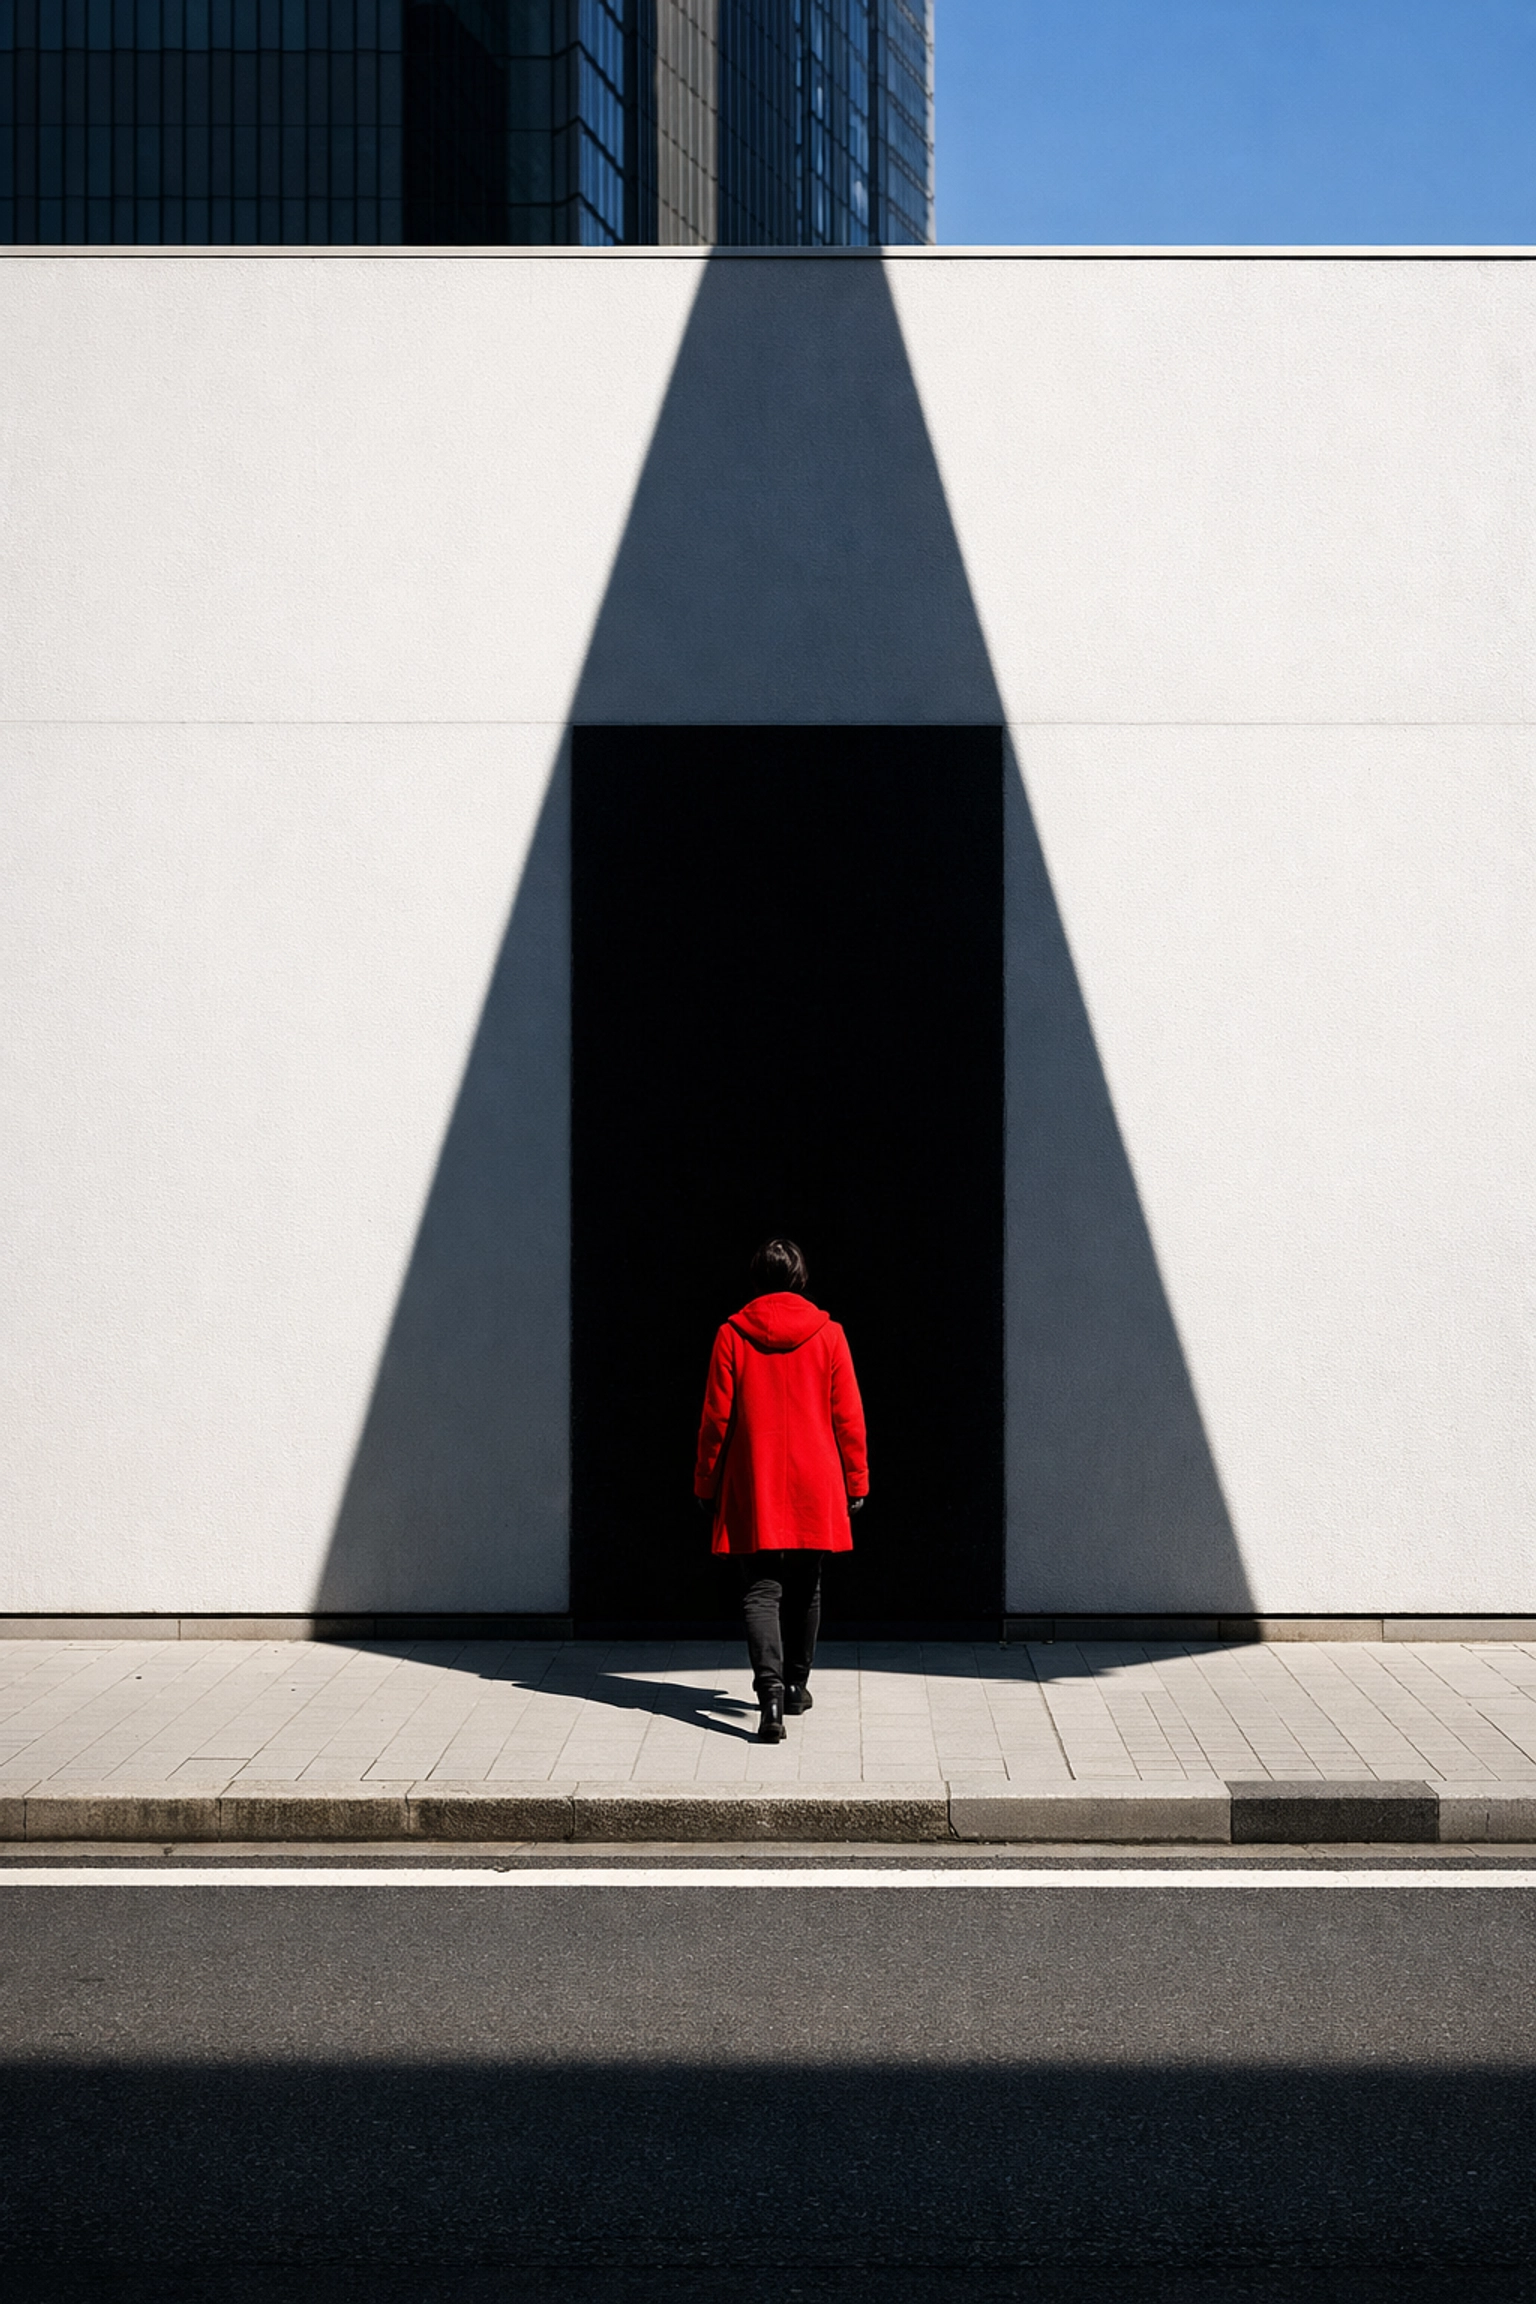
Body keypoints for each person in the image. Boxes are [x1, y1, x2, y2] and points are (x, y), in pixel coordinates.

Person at [694, 1238, 869, 1743]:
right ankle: (796, 1686)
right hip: (815, 1477)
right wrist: (856, 1479)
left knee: (761, 1587)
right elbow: (848, 1416)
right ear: (800, 1279)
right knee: (807, 1582)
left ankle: (767, 1698)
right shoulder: (829, 1334)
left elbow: (714, 1420)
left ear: (755, 1279)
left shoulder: (732, 1335)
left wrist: (706, 1480)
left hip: (756, 1477)